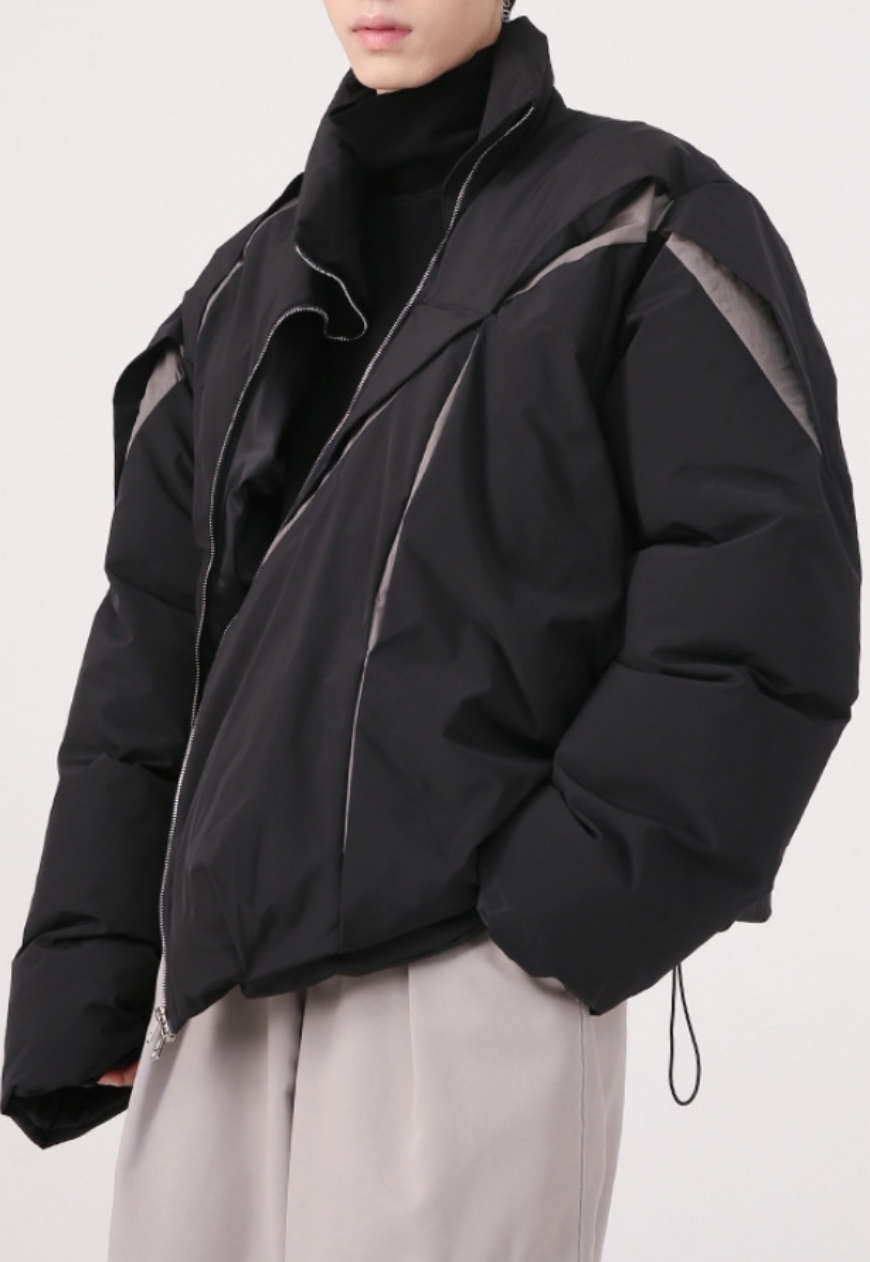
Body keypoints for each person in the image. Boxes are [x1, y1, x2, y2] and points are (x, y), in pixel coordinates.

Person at [1, 1, 861, 1259]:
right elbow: (148, 648)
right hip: (217, 1002)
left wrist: (555, 917)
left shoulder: (644, 220)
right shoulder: (240, 290)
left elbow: (762, 593)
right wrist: (92, 972)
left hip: (463, 975)